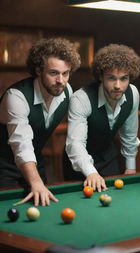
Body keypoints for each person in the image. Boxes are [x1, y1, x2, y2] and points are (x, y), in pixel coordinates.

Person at [0, 37, 81, 206]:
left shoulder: (67, 92)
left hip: (35, 161)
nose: (61, 81)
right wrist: (36, 183)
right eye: (53, 73)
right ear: (38, 70)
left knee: (44, 206)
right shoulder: (16, 96)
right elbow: (21, 143)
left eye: (65, 73)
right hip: (3, 165)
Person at [65, 44, 140, 192]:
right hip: (78, 162)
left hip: (108, 157)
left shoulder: (133, 94)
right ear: (101, 76)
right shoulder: (81, 99)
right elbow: (76, 144)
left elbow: (129, 135)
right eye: (112, 78)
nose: (118, 85)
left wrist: (130, 168)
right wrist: (91, 172)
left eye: (124, 79)